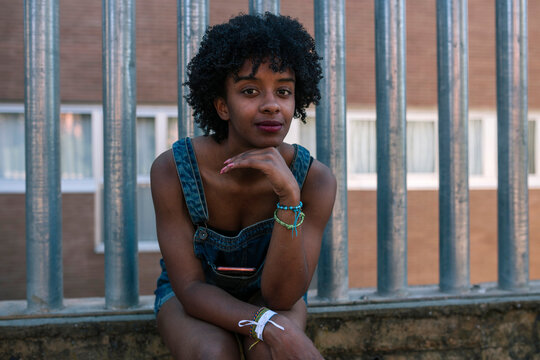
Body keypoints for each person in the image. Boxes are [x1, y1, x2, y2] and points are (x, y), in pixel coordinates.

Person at [151, 12, 336, 360]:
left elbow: (282, 297)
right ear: (222, 105)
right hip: (193, 295)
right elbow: (189, 287)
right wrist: (269, 326)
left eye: (283, 90)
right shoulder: (173, 170)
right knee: (215, 353)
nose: (271, 104)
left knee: (269, 355)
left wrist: (288, 197)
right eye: (250, 91)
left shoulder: (314, 180)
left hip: (269, 296)